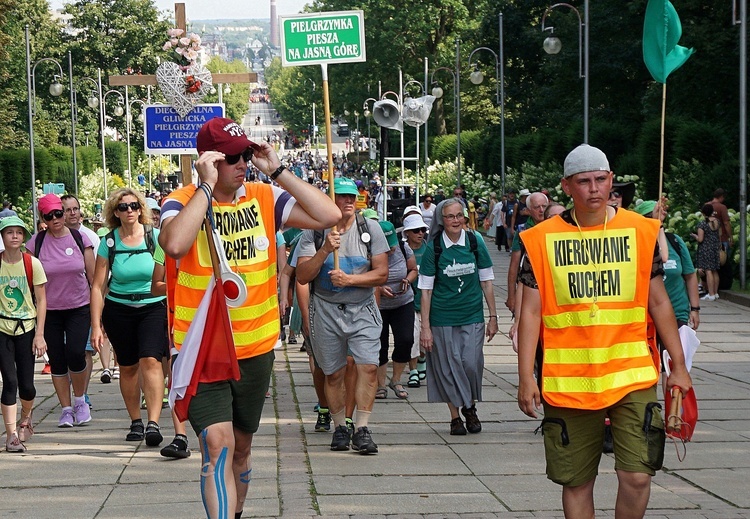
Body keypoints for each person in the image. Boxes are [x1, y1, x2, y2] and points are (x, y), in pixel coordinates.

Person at [159, 117, 339, 519]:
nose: (243, 162)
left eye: (246, 154)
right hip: (203, 349)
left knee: (241, 447)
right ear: (208, 161)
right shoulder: (183, 200)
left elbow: (328, 216)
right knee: (217, 445)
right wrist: (204, 188)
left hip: (255, 349)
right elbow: (173, 244)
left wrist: (276, 169)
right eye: (232, 157)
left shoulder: (262, 196)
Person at [516, 144, 692, 518]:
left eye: (600, 179)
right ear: (567, 186)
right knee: (576, 481)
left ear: (611, 180)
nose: (594, 189)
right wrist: (525, 378)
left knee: (638, 476)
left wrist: (678, 364)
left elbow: (659, 303)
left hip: (631, 374)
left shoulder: (639, 231)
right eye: (584, 181)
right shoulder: (542, 239)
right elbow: (530, 312)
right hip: (568, 382)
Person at [296, 177, 389, 454]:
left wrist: (349, 280)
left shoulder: (370, 228)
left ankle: (361, 427)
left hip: (362, 308)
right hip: (325, 308)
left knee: (368, 367)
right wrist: (325, 249)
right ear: (329, 200)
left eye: (352, 197)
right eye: (342, 196)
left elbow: (381, 273)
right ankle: (340, 427)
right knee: (333, 373)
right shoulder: (312, 232)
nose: (349, 201)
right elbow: (302, 275)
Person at [90, 188, 166, 446]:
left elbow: (167, 276)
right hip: (119, 309)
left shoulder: (155, 237)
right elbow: (98, 287)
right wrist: (96, 326)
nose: (130, 210)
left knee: (151, 360)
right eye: (123, 207)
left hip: (153, 307)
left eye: (134, 206)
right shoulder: (108, 242)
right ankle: (136, 421)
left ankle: (153, 422)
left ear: (141, 209)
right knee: (128, 366)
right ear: (115, 212)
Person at [418, 198, 497, 435]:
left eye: (459, 215)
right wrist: (425, 328)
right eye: (450, 216)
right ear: (442, 220)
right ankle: (456, 417)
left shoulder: (475, 241)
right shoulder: (434, 247)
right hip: (442, 317)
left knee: (471, 364)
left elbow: (487, 281)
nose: (455, 220)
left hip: (472, 314)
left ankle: (470, 405)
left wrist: (493, 316)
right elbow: (426, 291)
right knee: (447, 367)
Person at [27, 194, 95, 428]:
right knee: (57, 360)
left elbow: (94, 279)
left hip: (79, 307)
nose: (56, 219)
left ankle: (79, 401)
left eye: (59, 213)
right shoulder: (36, 243)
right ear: (43, 218)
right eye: (50, 216)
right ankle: (66, 409)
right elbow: (28, 277)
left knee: (76, 353)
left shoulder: (79, 238)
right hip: (50, 310)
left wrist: (99, 317)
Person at [0, 217, 47, 452]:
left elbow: (41, 300)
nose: (15, 236)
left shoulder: (32, 264)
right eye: (10, 232)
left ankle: (25, 418)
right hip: (2, 329)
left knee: (27, 385)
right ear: (3, 236)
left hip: (27, 329)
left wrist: (40, 334)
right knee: (9, 381)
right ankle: (10, 435)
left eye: (19, 232)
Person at [61, 194, 101, 405]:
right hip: (59, 306)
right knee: (68, 352)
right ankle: (73, 392)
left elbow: (96, 278)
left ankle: (82, 394)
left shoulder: (90, 237)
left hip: (83, 304)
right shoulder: (52, 237)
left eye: (75, 208)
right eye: (68, 210)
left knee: (84, 350)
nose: (73, 213)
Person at [375, 220, 418, 400]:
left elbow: (413, 269)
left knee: (406, 339)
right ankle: (380, 384)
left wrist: (408, 280)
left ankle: (396, 379)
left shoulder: (403, 247)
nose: (391, 250)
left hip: (403, 302)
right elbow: (364, 276)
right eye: (387, 247)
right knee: (380, 344)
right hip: (380, 305)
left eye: (392, 245)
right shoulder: (371, 252)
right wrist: (379, 287)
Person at [506, 192, 548, 316]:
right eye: (537, 207)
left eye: (544, 206)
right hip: (528, 286)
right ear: (529, 210)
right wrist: (511, 296)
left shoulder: (556, 226)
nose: (541, 210)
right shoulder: (523, 230)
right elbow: (514, 266)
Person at [402, 213, 429, 386]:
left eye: (422, 230)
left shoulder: (430, 249)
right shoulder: (402, 250)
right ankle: (412, 370)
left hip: (427, 302)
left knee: (424, 340)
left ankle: (422, 359)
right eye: (416, 230)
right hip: (408, 301)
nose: (420, 233)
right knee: (411, 337)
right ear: (407, 233)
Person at [692, 203, 721, 301]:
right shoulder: (718, 222)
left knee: (708, 271)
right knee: (715, 270)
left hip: (706, 249)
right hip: (715, 248)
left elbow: (700, 239)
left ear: (703, 213)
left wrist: (695, 236)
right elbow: (719, 235)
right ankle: (716, 293)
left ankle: (711, 294)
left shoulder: (702, 224)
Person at [707, 188, 732, 253]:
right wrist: (730, 237)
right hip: (722, 239)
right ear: (721, 197)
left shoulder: (706, 205)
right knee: (723, 260)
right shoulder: (722, 207)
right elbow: (726, 223)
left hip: (708, 238)